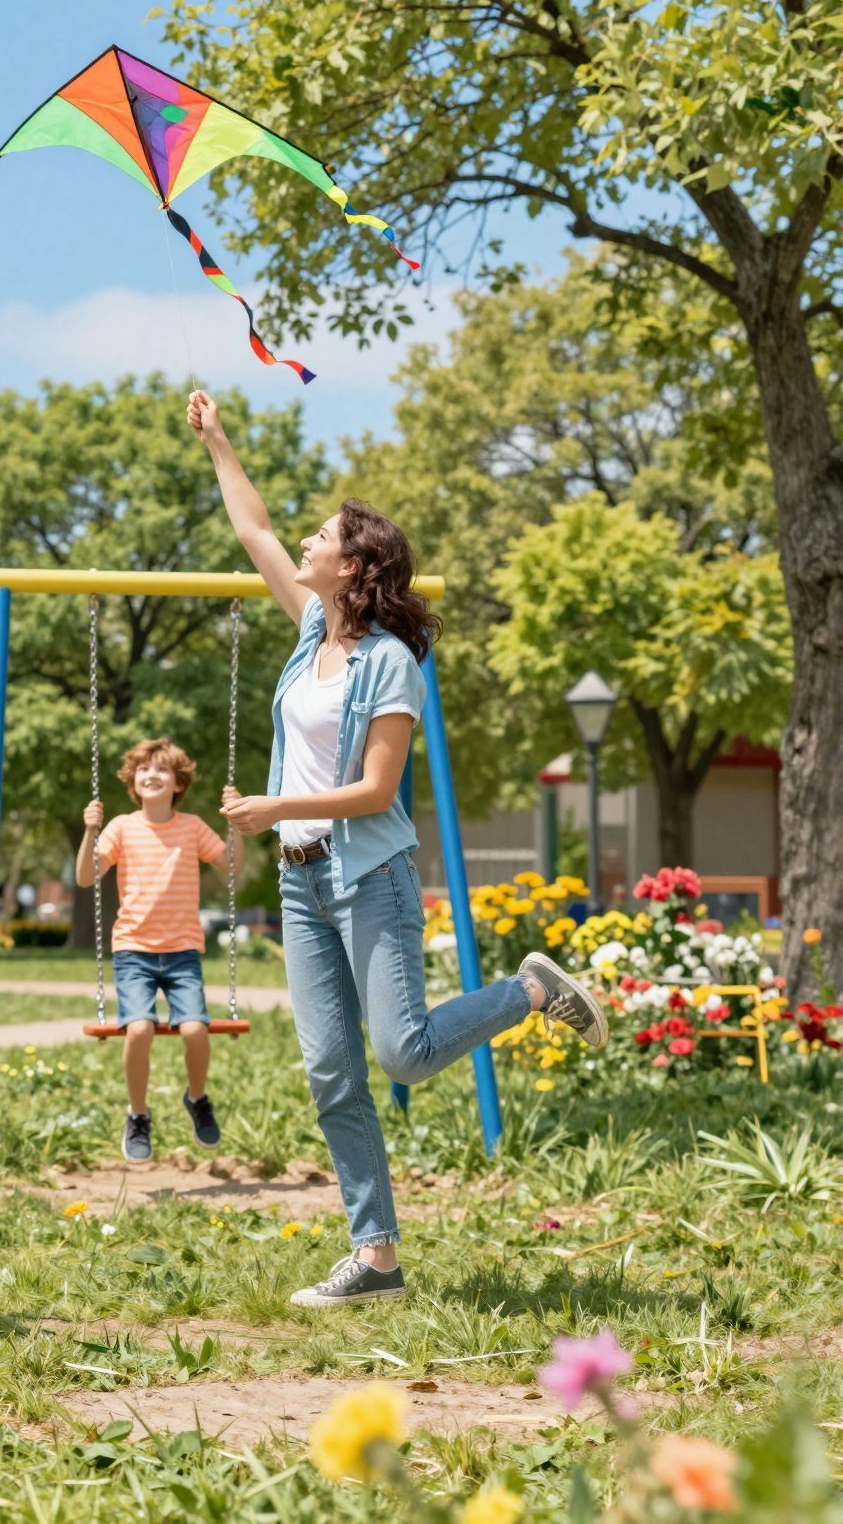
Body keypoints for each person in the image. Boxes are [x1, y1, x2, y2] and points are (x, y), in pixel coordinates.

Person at [188, 388, 608, 1308]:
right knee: (330, 1070)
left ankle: (531, 990)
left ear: (354, 565)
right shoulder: (309, 632)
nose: (303, 543)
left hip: (366, 875)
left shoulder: (390, 662)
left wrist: (273, 806)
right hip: (302, 886)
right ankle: (376, 1258)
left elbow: (376, 790)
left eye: (321, 536)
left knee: (406, 1052)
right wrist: (219, 438)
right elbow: (253, 528)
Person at [76, 737, 230, 1160]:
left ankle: (197, 1099)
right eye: (144, 769)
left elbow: (230, 863)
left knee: (196, 1028)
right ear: (133, 781)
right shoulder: (122, 827)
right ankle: (138, 1114)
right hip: (134, 950)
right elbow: (87, 877)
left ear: (178, 782)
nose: (152, 775)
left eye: (162, 769)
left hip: (182, 951)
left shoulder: (193, 827)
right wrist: (90, 830)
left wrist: (236, 819)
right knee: (140, 1028)